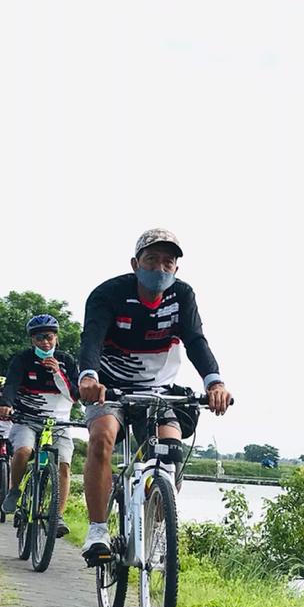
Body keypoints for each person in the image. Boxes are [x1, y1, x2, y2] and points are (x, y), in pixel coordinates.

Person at [78, 228, 232, 565]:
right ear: (135, 264)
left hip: (159, 391)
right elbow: (91, 339)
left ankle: (157, 528)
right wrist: (88, 377)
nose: (160, 268)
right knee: (102, 438)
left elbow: (195, 340)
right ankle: (98, 530)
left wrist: (215, 383)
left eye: (168, 262)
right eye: (151, 260)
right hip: (111, 388)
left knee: (171, 455)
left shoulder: (182, 295)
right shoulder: (108, 294)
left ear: (176, 268)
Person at [0, 314, 80, 539]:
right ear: (32, 340)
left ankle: (57, 515)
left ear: (56, 338)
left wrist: (58, 372)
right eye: (39, 338)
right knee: (23, 451)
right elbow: (11, 385)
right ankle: (14, 489)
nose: (45, 342)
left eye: (49, 337)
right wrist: (6, 404)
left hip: (59, 423)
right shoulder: (22, 360)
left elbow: (74, 395)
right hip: (27, 420)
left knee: (64, 466)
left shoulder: (67, 361)